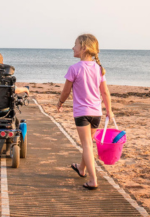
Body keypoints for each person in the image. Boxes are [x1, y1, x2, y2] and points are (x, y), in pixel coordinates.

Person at [56, 34, 114, 190]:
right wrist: (109, 110)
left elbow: (66, 91)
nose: (72, 48)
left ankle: (93, 179)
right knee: (89, 143)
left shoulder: (74, 68)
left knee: (87, 145)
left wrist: (60, 102)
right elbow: (105, 92)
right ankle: (81, 169)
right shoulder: (98, 69)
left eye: (75, 45)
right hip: (96, 113)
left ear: (83, 48)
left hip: (82, 113)